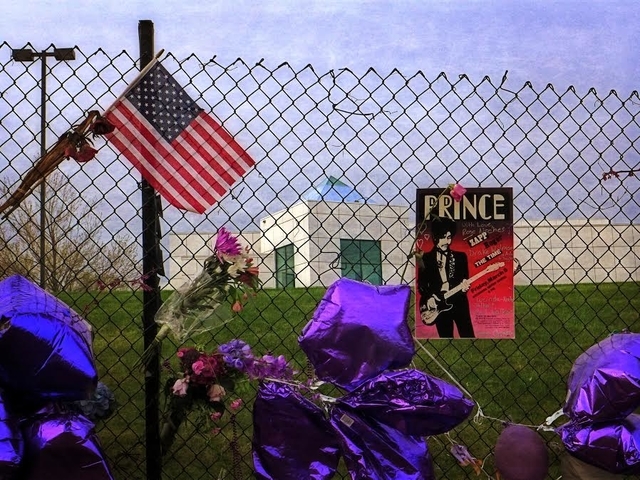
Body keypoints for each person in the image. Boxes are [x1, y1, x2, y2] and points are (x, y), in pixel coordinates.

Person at [417, 216, 474, 338]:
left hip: (459, 304)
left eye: (449, 237)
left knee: (468, 336)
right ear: (436, 236)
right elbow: (421, 285)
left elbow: (465, 279)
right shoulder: (424, 259)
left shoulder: (460, 257)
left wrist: (464, 287)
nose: (448, 242)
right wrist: (430, 297)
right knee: (445, 338)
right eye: (444, 237)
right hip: (438, 306)